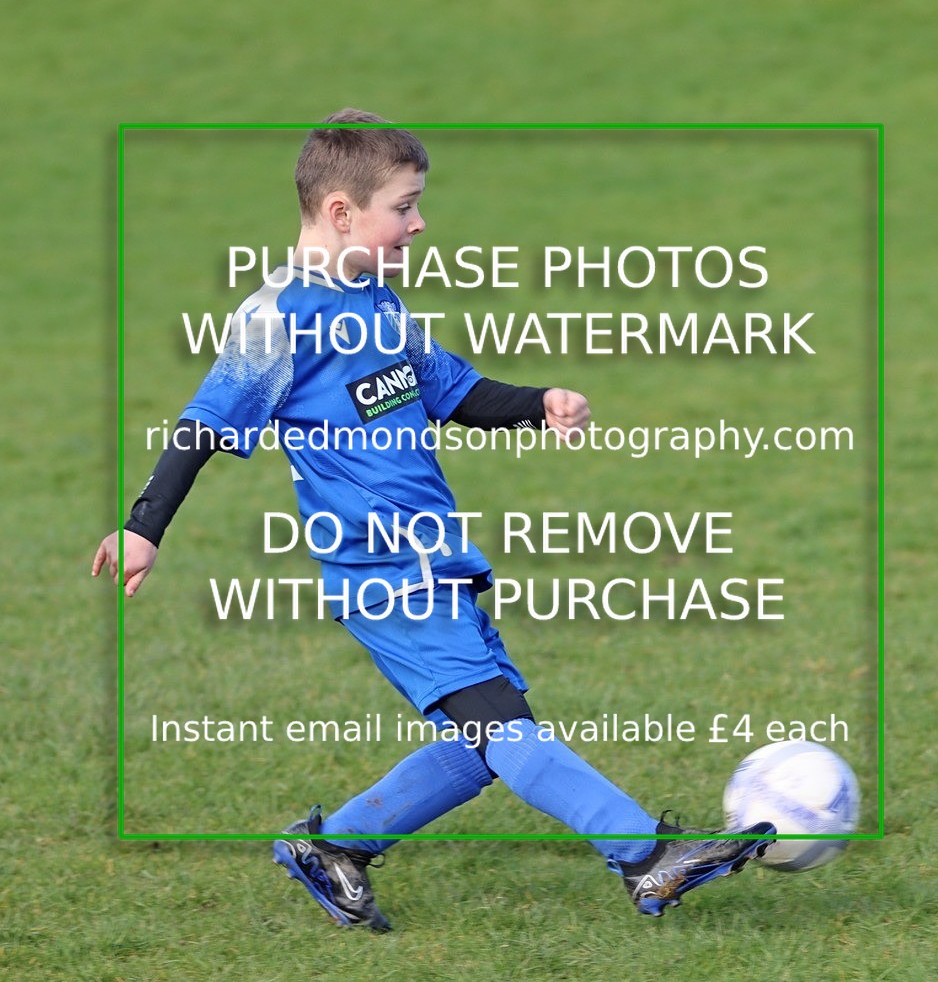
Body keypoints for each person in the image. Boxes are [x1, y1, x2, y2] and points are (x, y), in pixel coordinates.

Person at [92, 109, 774, 931]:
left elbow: (451, 390)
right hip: (380, 570)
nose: (420, 223)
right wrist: (143, 527)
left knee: (483, 742)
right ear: (342, 211)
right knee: (507, 730)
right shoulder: (278, 317)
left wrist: (538, 403)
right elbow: (204, 423)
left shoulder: (373, 299)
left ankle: (332, 846)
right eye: (404, 207)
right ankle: (644, 855)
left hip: (434, 557)